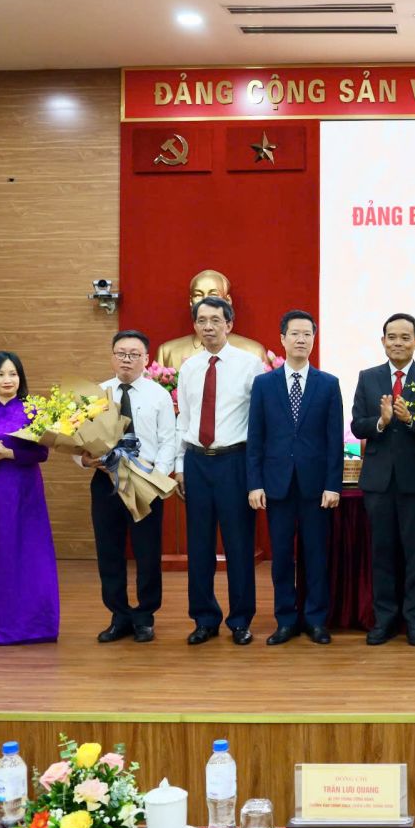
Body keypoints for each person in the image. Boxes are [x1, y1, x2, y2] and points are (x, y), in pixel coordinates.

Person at [247, 310, 343, 646]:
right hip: (277, 485)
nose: (301, 340)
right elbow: (256, 437)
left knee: (316, 556)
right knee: (282, 559)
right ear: (282, 339)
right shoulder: (264, 384)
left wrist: (333, 484)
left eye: (307, 334)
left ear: (314, 340)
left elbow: (334, 439)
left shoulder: (328, 384)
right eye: (295, 334)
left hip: (316, 488)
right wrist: (255, 483)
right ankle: (285, 620)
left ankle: (316, 620)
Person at [351, 313, 415, 646]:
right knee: (382, 553)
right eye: (392, 337)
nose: (398, 343)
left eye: (405, 337)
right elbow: (357, 425)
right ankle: (385, 620)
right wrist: (381, 421)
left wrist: (409, 420)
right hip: (378, 482)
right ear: (383, 341)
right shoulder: (368, 377)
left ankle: (414, 621)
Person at [174, 296, 260, 646]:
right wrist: (179, 466)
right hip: (196, 462)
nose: (208, 327)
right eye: (201, 321)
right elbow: (184, 420)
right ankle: (204, 618)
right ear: (195, 325)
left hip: (234, 461)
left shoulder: (250, 365)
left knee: (239, 545)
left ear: (229, 324)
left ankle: (240, 620)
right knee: (199, 546)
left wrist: (255, 473)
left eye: (215, 320)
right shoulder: (189, 368)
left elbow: (259, 423)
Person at [84, 329, 177, 644]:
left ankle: (145, 616)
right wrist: (84, 460)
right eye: (121, 353)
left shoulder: (158, 395)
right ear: (112, 357)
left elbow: (168, 440)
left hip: (144, 482)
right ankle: (119, 615)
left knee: (147, 552)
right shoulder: (97, 394)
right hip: (106, 481)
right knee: (109, 550)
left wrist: (157, 477)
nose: (127, 359)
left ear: (146, 359)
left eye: (134, 354)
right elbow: (79, 440)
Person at [0, 351, 58, 646]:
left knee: (32, 553)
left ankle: (37, 625)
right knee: (0, 553)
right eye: (0, 374)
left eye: (13, 374)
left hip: (27, 490)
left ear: (21, 378)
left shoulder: (33, 411)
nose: (7, 380)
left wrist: (9, 453)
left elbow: (42, 453)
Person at [155, 269, 270, 370]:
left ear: (228, 300)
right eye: (198, 295)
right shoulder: (168, 352)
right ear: (191, 301)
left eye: (213, 294)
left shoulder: (253, 352)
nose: (205, 301)